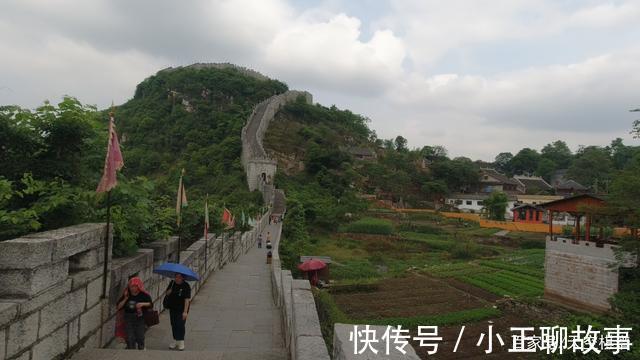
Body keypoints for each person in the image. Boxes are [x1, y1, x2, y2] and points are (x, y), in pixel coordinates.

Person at [116, 277, 153, 350]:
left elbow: (151, 304)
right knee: (130, 337)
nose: (133, 288)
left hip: (140, 318)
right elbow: (118, 307)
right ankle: (131, 351)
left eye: (135, 286)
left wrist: (142, 304)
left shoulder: (144, 295)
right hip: (128, 318)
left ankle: (141, 348)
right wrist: (125, 298)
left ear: (138, 286)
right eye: (131, 286)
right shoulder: (126, 294)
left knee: (140, 336)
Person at [165, 273, 191, 350]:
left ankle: (181, 341)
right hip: (173, 308)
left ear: (183, 278)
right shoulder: (172, 283)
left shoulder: (186, 286)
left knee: (180, 324)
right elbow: (167, 293)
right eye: (176, 277)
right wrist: (168, 292)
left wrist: (185, 312)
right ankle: (175, 340)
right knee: (173, 324)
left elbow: (187, 300)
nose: (177, 279)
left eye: (179, 277)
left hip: (182, 309)